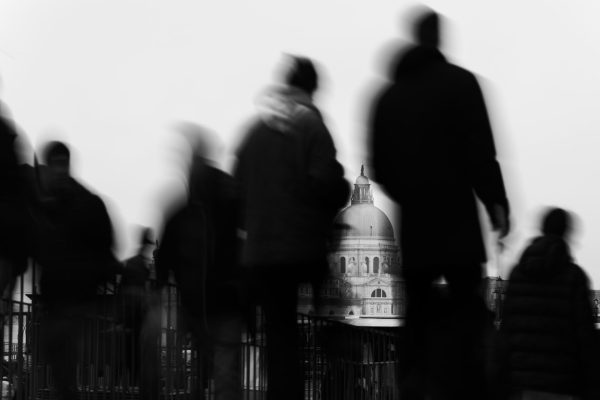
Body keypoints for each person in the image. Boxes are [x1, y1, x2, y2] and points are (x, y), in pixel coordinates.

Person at [369, 9, 510, 399]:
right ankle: (470, 389)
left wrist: (412, 191)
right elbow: (482, 154)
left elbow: (380, 167)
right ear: (438, 40)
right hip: (458, 221)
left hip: (416, 224)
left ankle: (413, 388)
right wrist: (497, 205)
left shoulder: (387, 98)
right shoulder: (462, 84)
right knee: (467, 308)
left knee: (416, 316)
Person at [233, 55, 349, 400]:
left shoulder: (254, 131)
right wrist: (340, 190)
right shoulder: (312, 125)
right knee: (331, 316)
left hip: (261, 252)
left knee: (279, 334)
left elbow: (236, 191)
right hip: (301, 245)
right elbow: (324, 183)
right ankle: (337, 384)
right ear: (311, 88)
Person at [157, 126, 242, 400]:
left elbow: (166, 253)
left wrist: (160, 285)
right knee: (223, 374)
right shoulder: (228, 200)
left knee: (209, 371)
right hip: (217, 302)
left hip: (203, 303)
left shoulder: (186, 211)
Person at [31, 141, 118, 400]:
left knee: (62, 368)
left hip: (67, 297)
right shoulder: (78, 201)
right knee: (61, 368)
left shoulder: (58, 203)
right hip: (66, 297)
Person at [497, 208, 600, 400]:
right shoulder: (574, 277)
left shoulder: (518, 274)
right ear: (566, 233)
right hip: (562, 385)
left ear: (542, 229)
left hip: (521, 384)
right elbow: (585, 337)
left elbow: (507, 330)